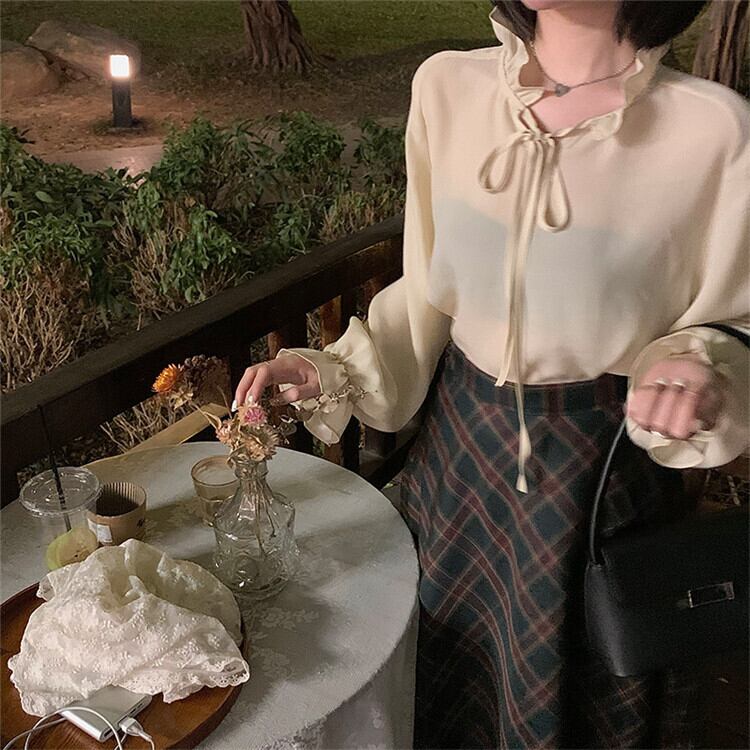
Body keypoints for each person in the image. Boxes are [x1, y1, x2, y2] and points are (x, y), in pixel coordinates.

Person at [236, 0, 749, 746]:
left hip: (598, 478)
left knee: (574, 701)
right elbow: (428, 284)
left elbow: (734, 320)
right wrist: (336, 370)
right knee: (449, 690)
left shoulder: (714, 132)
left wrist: (697, 371)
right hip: (460, 458)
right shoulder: (449, 87)